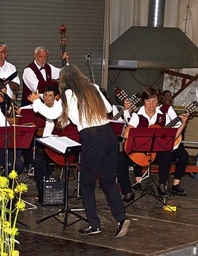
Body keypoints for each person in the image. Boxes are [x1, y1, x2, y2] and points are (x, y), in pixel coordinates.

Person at [28, 64, 130, 237]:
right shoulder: (94, 88)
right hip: (109, 134)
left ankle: (94, 224)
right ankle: (121, 218)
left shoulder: (68, 94)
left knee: (86, 184)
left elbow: (53, 115)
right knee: (108, 180)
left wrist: (36, 102)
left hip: (91, 137)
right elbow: (109, 109)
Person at [117, 87, 189, 201]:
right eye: (148, 101)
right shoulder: (137, 115)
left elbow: (173, 136)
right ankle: (128, 192)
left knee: (167, 152)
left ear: (158, 100)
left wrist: (183, 124)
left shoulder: (163, 114)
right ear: (143, 102)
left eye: (154, 100)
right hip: (140, 153)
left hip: (157, 153)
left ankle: (162, 187)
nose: (152, 104)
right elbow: (126, 134)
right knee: (119, 158)